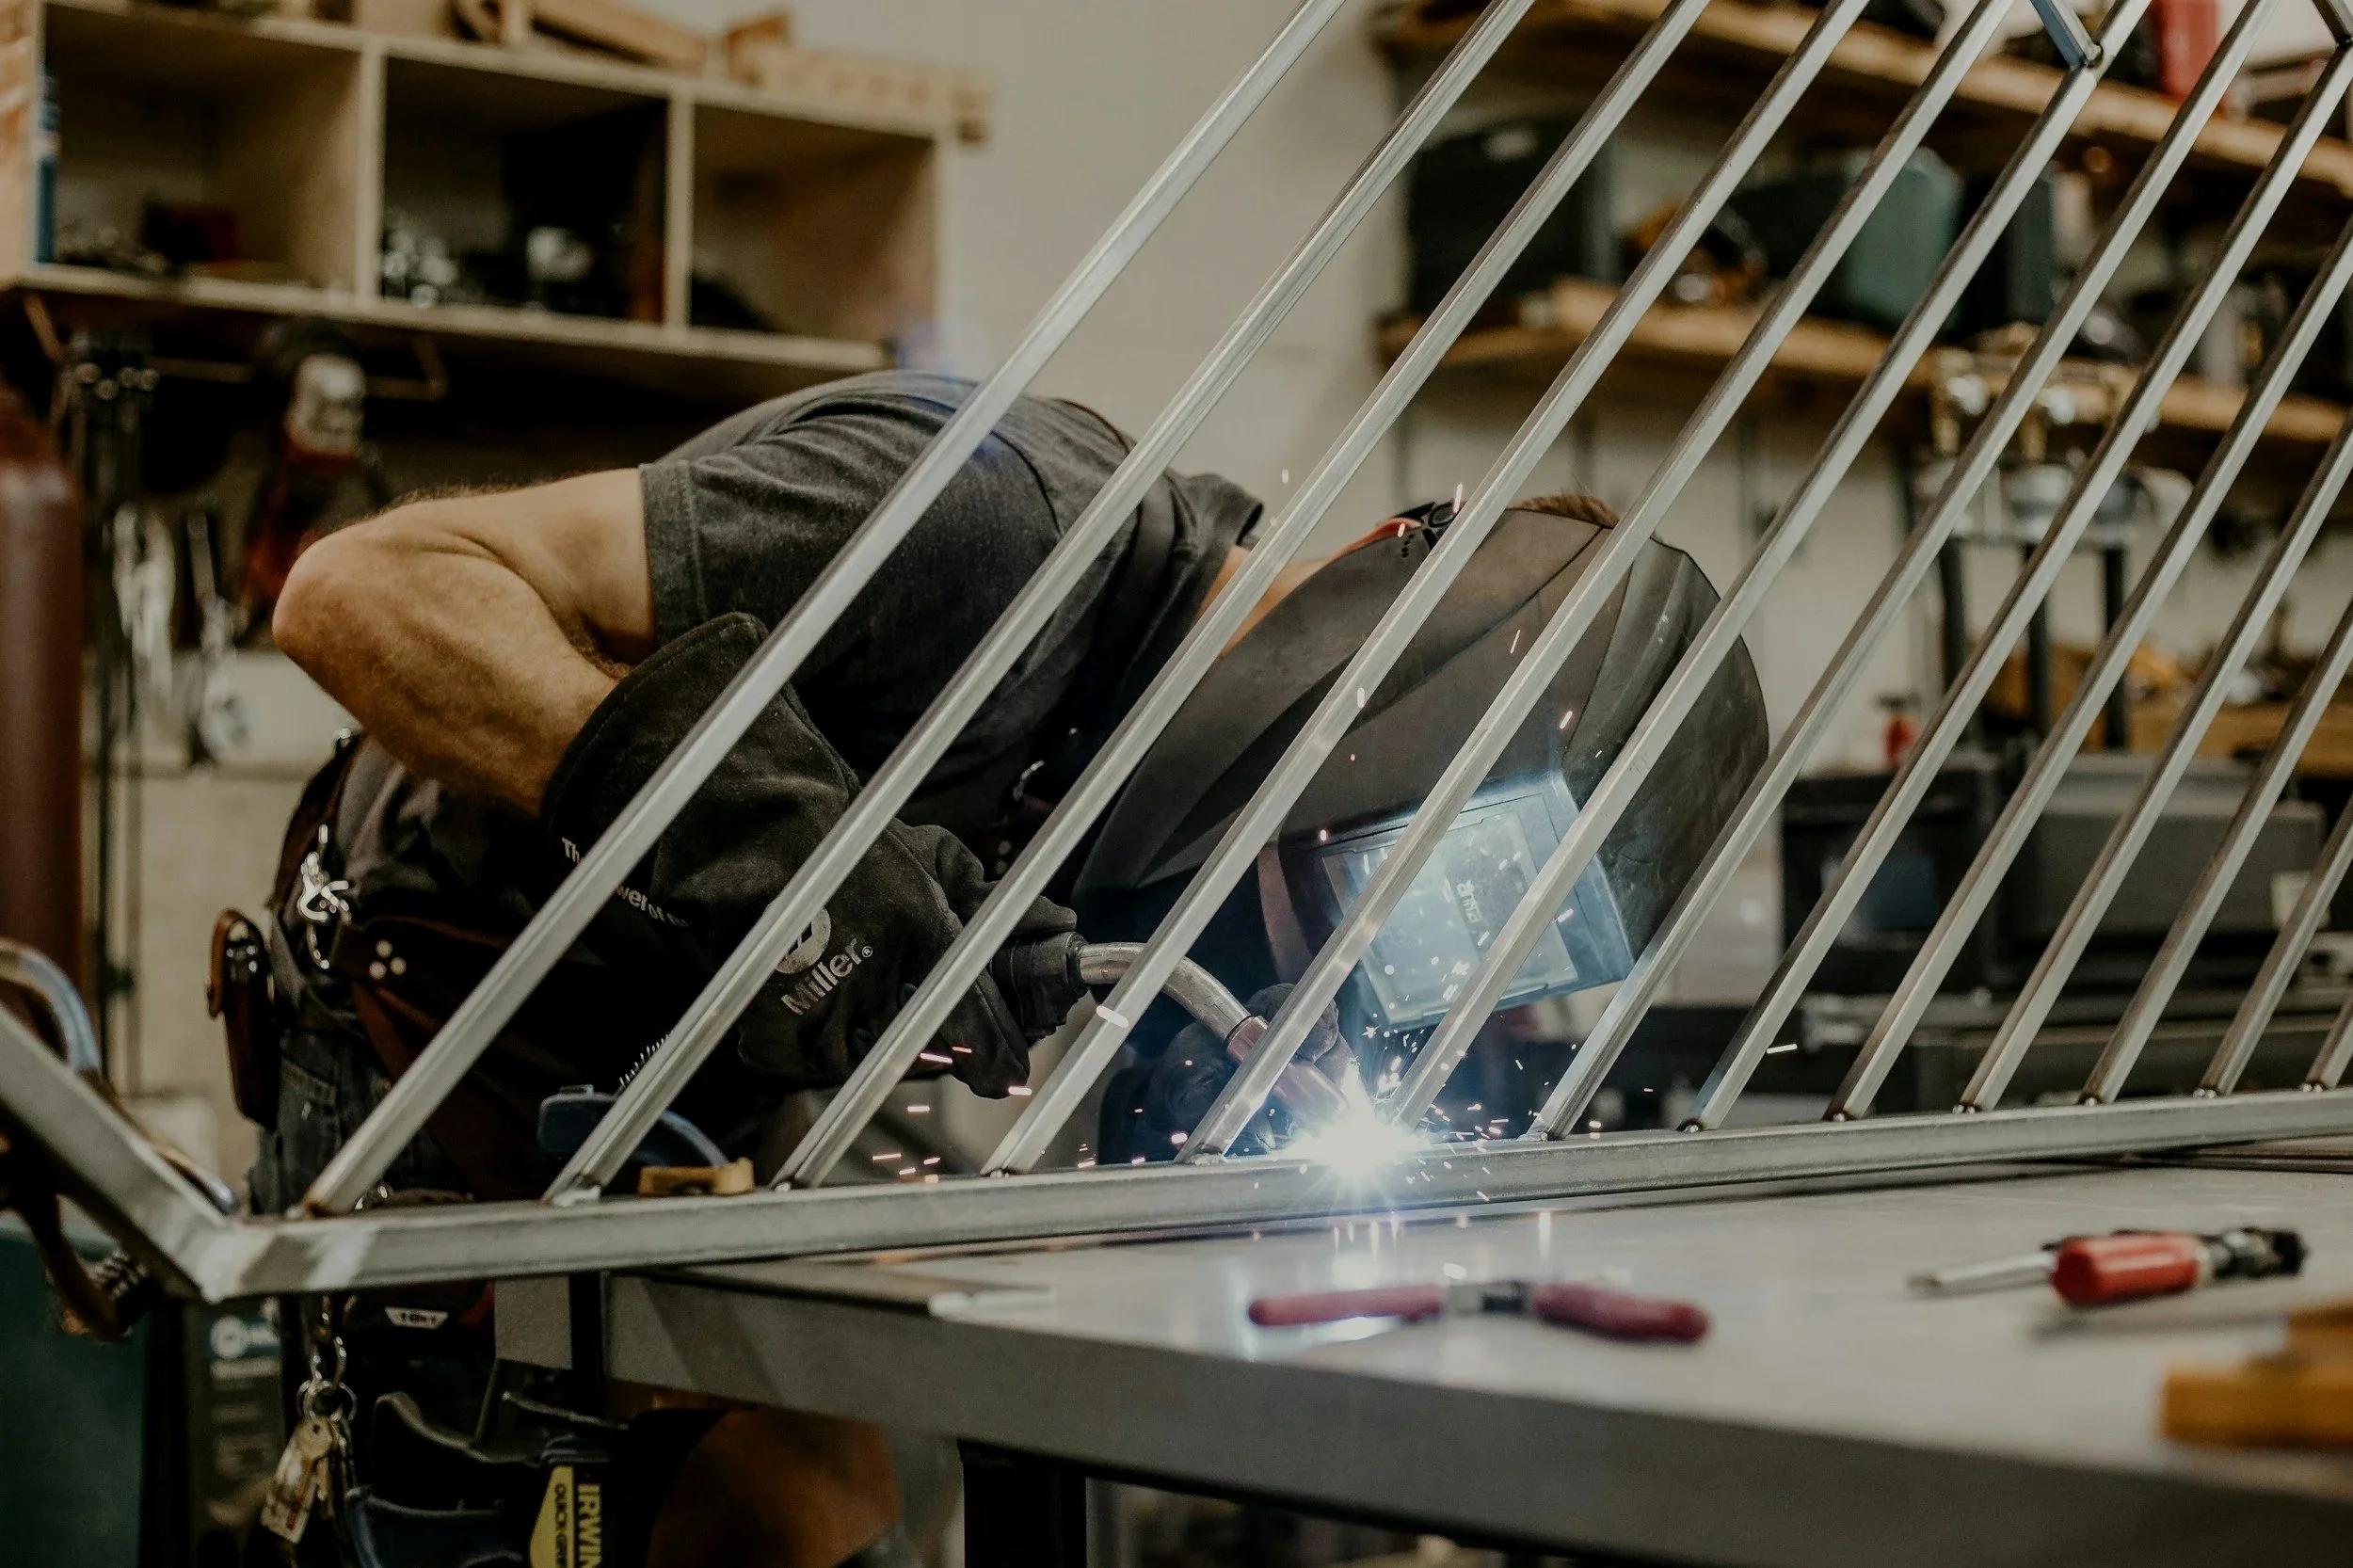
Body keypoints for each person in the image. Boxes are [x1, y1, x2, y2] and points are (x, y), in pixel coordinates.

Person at [248, 370, 1364, 1567]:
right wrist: (777, 852)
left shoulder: (1159, 721)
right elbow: (354, 593)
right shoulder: (995, 532)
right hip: (443, 1035)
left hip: (675, 1076)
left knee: (830, 1522)